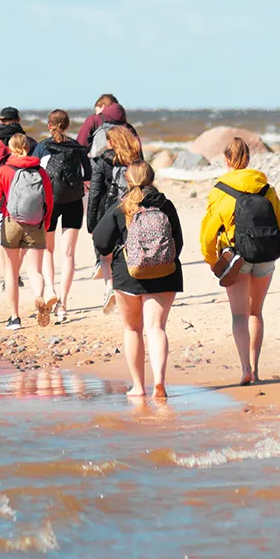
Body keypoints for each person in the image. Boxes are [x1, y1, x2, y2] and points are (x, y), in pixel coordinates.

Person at [199, 137, 280, 385]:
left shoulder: (219, 191)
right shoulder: (266, 189)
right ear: (248, 159)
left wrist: (212, 260)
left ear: (226, 161)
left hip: (236, 257)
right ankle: (255, 370)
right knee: (256, 313)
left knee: (239, 316)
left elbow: (208, 232)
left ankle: (245, 368)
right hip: (266, 256)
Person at [93, 161, 183, 399]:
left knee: (132, 329)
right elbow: (179, 244)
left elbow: (101, 241)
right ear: (151, 178)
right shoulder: (166, 205)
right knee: (157, 328)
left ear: (127, 179)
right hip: (165, 273)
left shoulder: (122, 206)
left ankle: (138, 387)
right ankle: (160, 383)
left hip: (129, 275)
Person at [0, 134, 54, 330]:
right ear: (28, 147)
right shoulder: (40, 171)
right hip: (35, 223)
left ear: (10, 148)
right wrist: (45, 224)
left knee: (11, 273)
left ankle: (14, 318)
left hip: (11, 222)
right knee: (35, 271)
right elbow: (49, 201)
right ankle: (39, 297)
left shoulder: (4, 171)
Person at [32, 110, 92, 323]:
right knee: (68, 254)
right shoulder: (77, 148)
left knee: (48, 250)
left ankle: (50, 289)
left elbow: (34, 174)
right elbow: (88, 178)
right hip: (74, 202)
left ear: (50, 126)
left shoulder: (42, 147)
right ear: (67, 126)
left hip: (49, 202)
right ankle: (63, 304)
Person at [87, 126, 142, 314]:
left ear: (112, 142)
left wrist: (92, 223)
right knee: (129, 248)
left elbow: (94, 193)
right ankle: (130, 288)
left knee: (106, 254)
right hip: (133, 208)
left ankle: (110, 286)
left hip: (110, 211)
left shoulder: (103, 161)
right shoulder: (136, 159)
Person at [76, 94, 140, 157]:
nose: (96, 114)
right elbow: (138, 153)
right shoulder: (128, 127)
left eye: (96, 111)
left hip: (98, 165)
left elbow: (80, 146)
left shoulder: (94, 119)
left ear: (103, 106)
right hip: (124, 165)